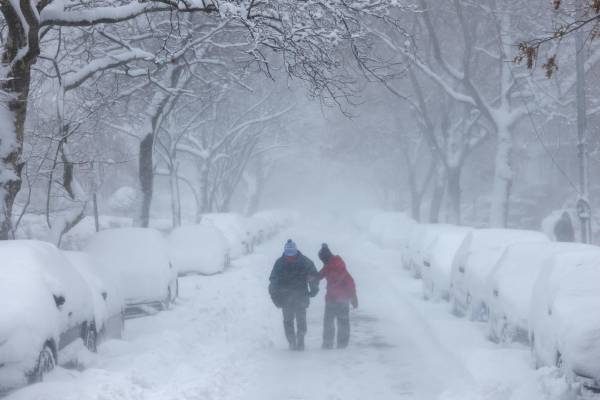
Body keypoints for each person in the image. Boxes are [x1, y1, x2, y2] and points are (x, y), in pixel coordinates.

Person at [269, 239, 319, 351]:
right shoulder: (281, 263)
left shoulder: (303, 262)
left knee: (299, 320)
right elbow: (273, 281)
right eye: (288, 255)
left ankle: (300, 340)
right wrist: (275, 296)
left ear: (296, 251)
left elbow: (313, 277)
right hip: (287, 298)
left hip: (298, 296)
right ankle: (292, 341)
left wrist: (314, 289)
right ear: (285, 252)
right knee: (289, 321)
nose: (290, 257)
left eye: (292, 254)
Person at [318, 243, 358, 349]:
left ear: (325, 258)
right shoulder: (332, 264)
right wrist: (353, 297)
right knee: (342, 322)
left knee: (329, 322)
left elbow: (320, 275)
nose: (322, 262)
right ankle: (342, 344)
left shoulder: (330, 266)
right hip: (341, 300)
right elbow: (351, 283)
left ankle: (328, 344)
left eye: (322, 259)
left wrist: (354, 297)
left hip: (333, 299)